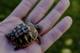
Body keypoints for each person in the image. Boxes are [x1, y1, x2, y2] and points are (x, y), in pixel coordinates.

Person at [0, 0, 72, 53]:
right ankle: (17, 47)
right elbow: (38, 39)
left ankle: (9, 35)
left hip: (14, 34)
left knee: (21, 32)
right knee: (23, 41)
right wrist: (40, 42)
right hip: (21, 41)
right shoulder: (36, 35)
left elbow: (26, 24)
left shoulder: (29, 24)